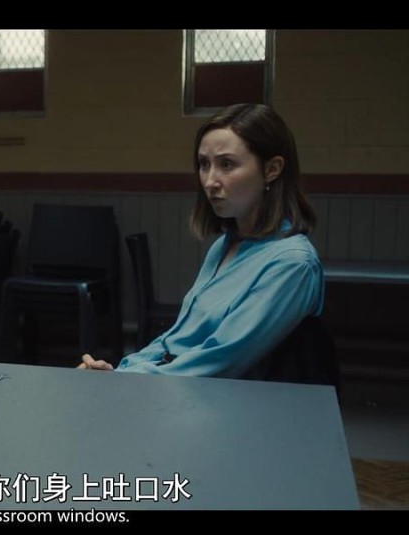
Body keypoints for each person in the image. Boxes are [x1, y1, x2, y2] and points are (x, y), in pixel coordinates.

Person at [79, 103, 323, 377]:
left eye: (226, 164)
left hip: (225, 397)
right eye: (204, 165)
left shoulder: (293, 263)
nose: (209, 181)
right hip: (175, 383)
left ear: (272, 169)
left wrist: (125, 380)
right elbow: (177, 338)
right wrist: (120, 369)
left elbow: (219, 360)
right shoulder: (225, 245)